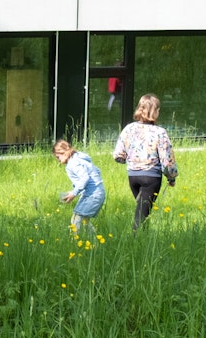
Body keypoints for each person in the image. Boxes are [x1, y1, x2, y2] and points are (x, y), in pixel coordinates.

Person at [112, 93, 178, 230]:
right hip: (150, 178)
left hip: (133, 177)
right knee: (141, 216)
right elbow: (167, 160)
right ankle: (134, 241)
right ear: (156, 112)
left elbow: (118, 155)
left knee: (143, 212)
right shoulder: (160, 132)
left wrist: (131, 160)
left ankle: (143, 240)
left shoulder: (128, 129)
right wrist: (171, 178)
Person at [54, 139, 106, 235]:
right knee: (85, 221)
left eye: (58, 157)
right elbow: (97, 171)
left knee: (75, 219)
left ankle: (74, 241)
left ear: (62, 152)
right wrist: (77, 190)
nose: (58, 160)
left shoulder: (72, 163)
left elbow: (85, 178)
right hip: (98, 192)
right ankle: (95, 242)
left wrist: (74, 193)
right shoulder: (80, 158)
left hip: (91, 195)